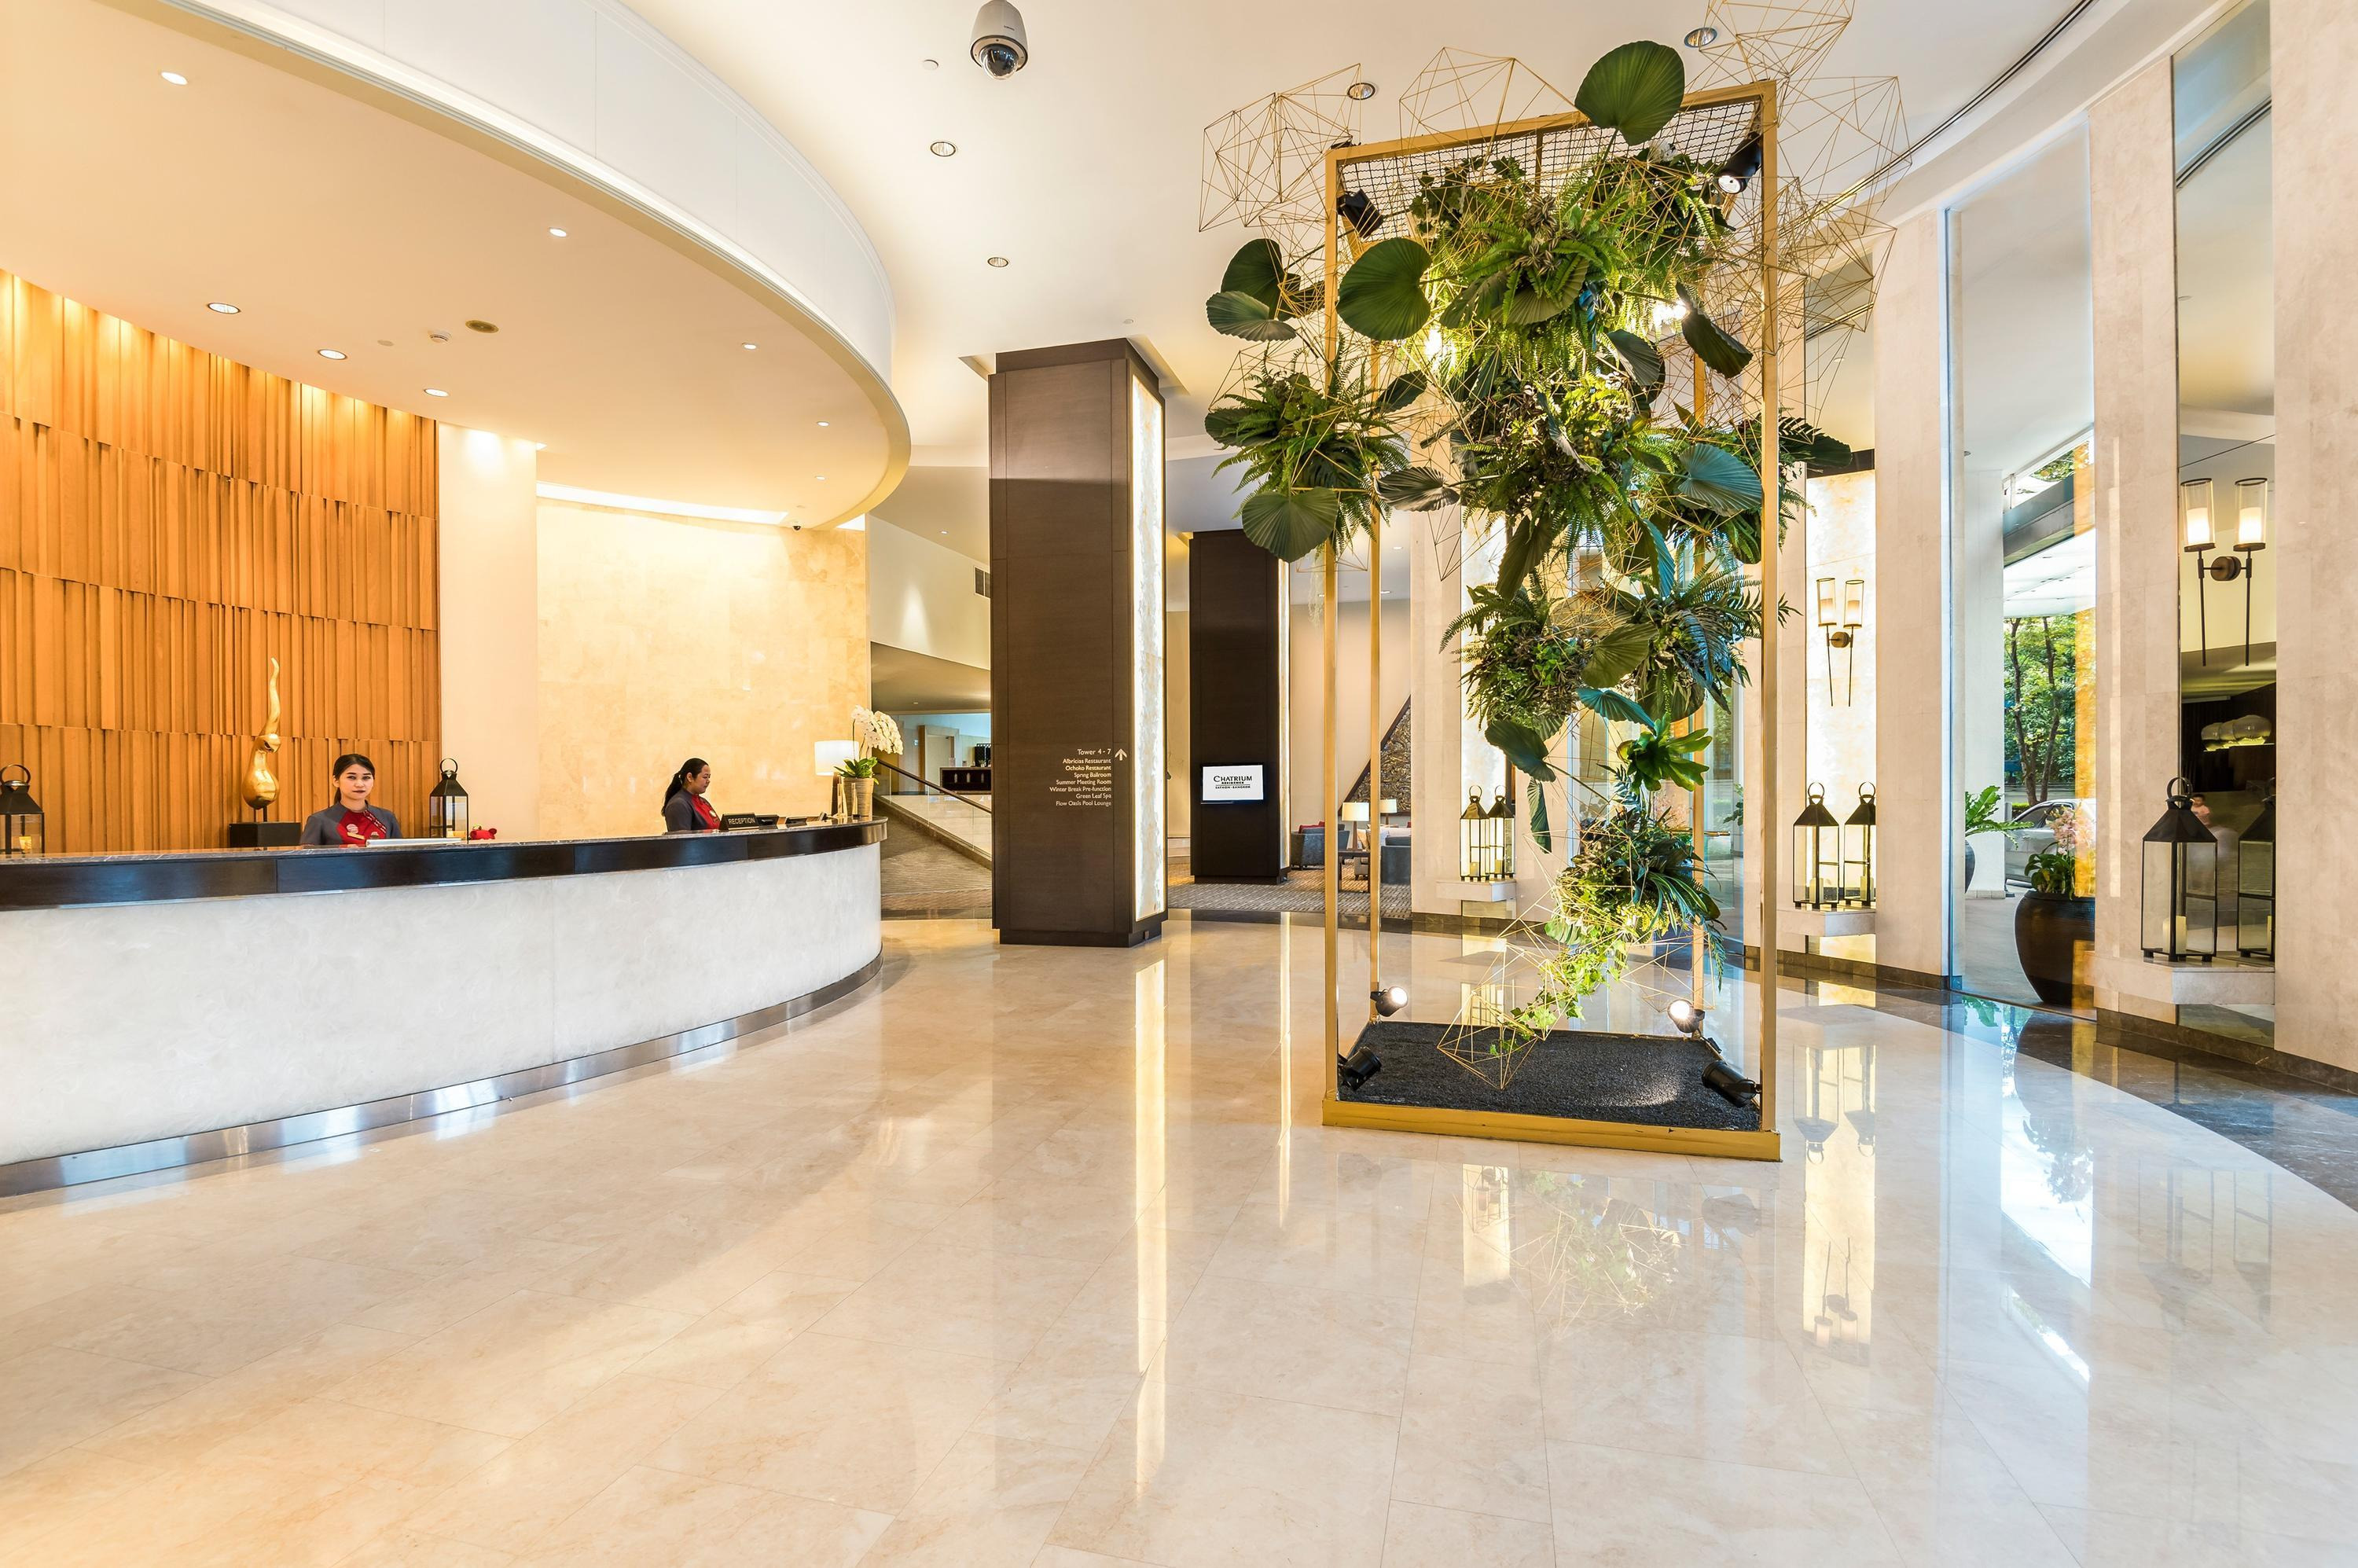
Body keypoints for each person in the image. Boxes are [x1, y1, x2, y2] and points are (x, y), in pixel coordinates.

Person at [299, 753, 401, 846]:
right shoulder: (319, 820)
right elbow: (306, 858)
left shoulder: (387, 818)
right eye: (352, 777)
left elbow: (401, 855)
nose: (360, 784)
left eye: (366, 778)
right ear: (336, 781)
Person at [663, 757, 720, 832]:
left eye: (709, 777)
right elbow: (682, 838)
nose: (708, 781)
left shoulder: (703, 801)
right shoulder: (678, 804)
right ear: (690, 777)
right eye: (705, 777)